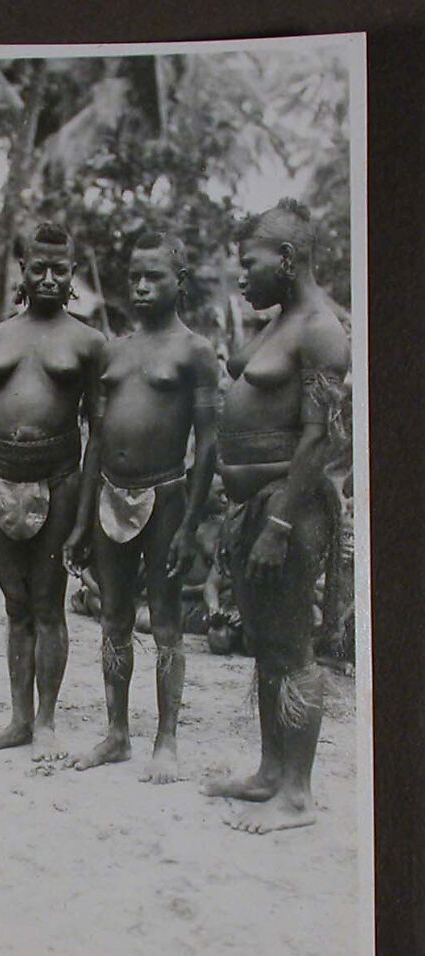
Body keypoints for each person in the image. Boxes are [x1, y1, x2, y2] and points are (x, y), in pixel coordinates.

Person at [203, 199, 349, 832]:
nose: (242, 275)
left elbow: (320, 442)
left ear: (286, 260)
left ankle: (297, 793)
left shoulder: (320, 328)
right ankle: (269, 773)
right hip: (250, 507)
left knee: (292, 649)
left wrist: (281, 524)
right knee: (264, 646)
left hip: (287, 509)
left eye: (250, 262)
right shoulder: (278, 321)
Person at [0, 223, 105, 760]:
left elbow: (98, 435)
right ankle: (16, 719)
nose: (50, 278)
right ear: (23, 271)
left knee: (49, 606)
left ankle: (47, 722)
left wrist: (84, 516)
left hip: (59, 481)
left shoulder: (88, 343)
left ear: (73, 274)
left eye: (61, 269)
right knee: (15, 607)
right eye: (40, 268)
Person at [63, 230, 219, 783]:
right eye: (135, 276)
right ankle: (116, 733)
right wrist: (82, 520)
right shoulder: (113, 350)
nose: (142, 286)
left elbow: (208, 444)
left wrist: (191, 523)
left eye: (154, 276)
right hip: (109, 491)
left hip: (167, 494)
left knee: (168, 621)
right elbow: (96, 442)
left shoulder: (195, 351)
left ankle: (167, 740)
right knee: (112, 617)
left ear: (178, 283)